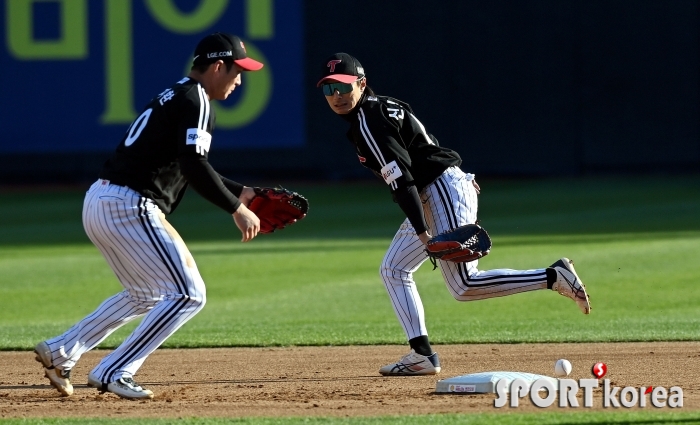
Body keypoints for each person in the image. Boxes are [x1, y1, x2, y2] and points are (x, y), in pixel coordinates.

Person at [316, 53, 591, 376]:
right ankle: (421, 355)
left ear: (361, 84)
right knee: (394, 269)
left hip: (438, 189)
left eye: (343, 87)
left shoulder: (368, 121)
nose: (336, 96)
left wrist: (423, 233)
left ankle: (553, 276)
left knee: (464, 285)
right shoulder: (379, 108)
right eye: (329, 89)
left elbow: (403, 182)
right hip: (439, 188)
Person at [34, 33, 264, 399]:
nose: (240, 80)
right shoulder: (198, 101)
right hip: (131, 206)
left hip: (101, 199)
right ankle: (114, 369)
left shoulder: (177, 94)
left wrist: (241, 191)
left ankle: (63, 349)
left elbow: (185, 160)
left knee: (146, 294)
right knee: (190, 295)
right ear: (219, 66)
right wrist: (236, 209)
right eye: (238, 71)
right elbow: (193, 164)